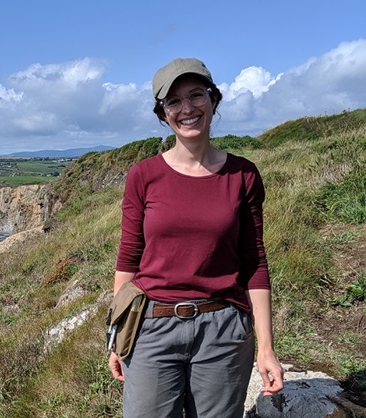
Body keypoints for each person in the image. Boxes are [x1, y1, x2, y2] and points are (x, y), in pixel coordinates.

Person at [108, 57, 284, 418]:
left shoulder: (243, 174)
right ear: (163, 114)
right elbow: (128, 259)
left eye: (196, 95)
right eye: (173, 101)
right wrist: (117, 337)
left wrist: (266, 347)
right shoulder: (143, 175)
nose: (186, 108)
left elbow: (255, 262)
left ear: (213, 100)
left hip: (223, 329)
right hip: (151, 327)